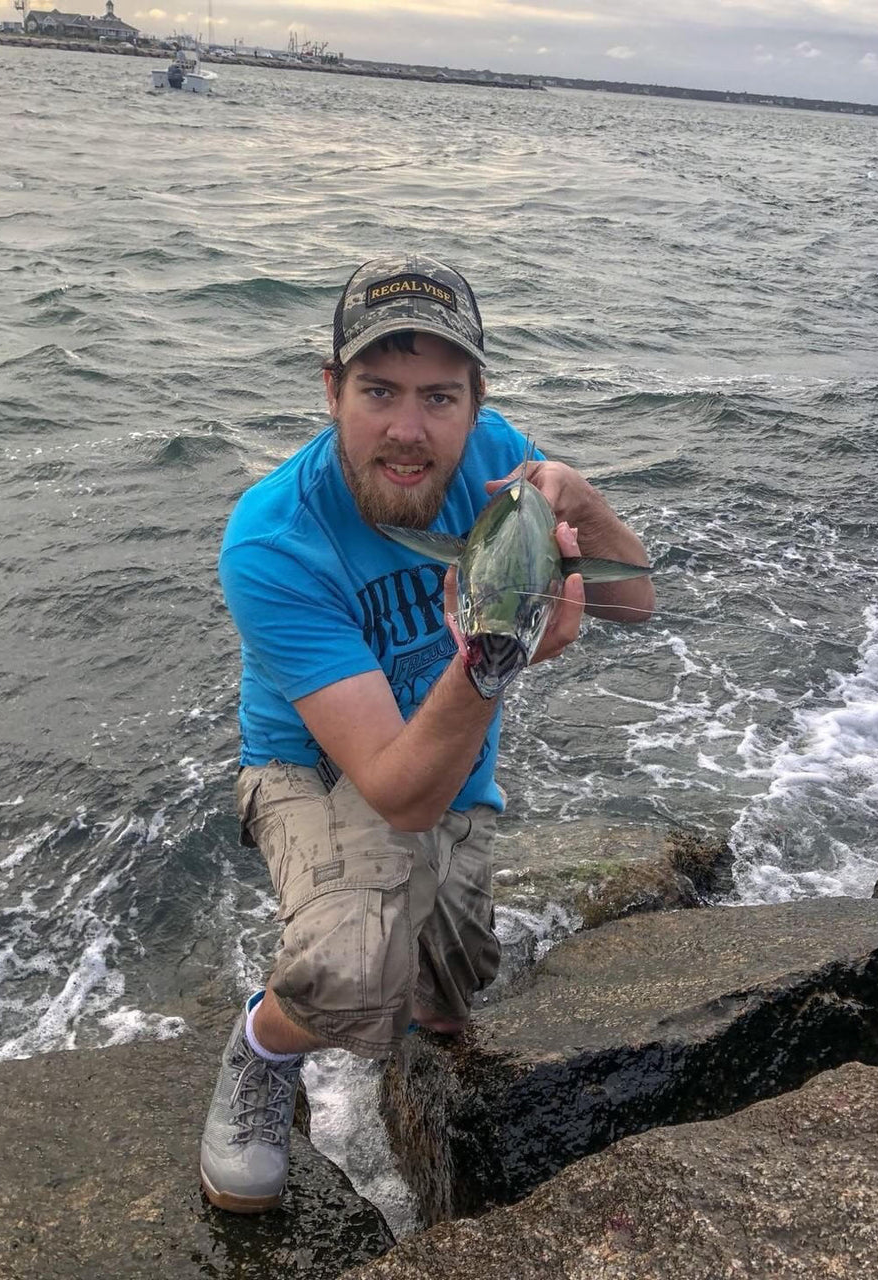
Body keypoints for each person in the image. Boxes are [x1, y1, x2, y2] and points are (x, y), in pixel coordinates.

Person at [199, 254, 655, 1213]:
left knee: (450, 986)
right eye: (378, 391)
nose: (409, 431)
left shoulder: (497, 461)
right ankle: (264, 1049)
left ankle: (411, 1083)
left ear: (477, 402)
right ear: (331, 390)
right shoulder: (272, 541)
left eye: (440, 397)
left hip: (449, 752)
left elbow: (635, 602)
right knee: (355, 968)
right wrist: (498, 657)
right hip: (315, 765)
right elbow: (398, 793)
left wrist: (578, 500)